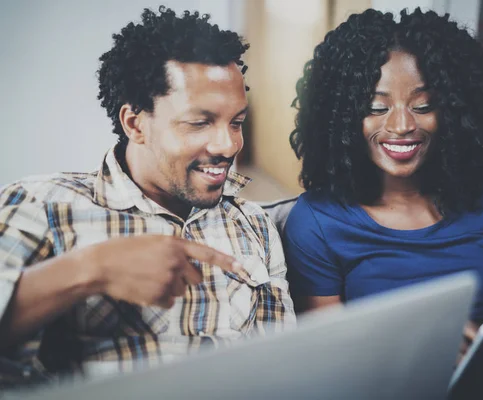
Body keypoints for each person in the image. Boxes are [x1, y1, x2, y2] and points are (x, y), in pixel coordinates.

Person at [0, 6, 295, 387]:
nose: (228, 145)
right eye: (199, 122)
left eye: (236, 122)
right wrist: (91, 270)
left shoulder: (253, 224)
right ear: (135, 123)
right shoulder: (42, 204)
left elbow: (284, 364)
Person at [284, 8, 483, 359]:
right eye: (376, 107)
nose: (402, 124)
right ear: (340, 117)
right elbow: (327, 361)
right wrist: (423, 347)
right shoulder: (317, 221)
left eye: (424, 106)